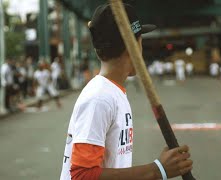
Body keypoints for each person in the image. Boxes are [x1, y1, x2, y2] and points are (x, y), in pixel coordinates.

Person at [60, 3, 192, 180]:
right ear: (134, 45)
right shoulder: (99, 98)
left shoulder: (112, 92)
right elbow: (81, 175)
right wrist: (157, 170)